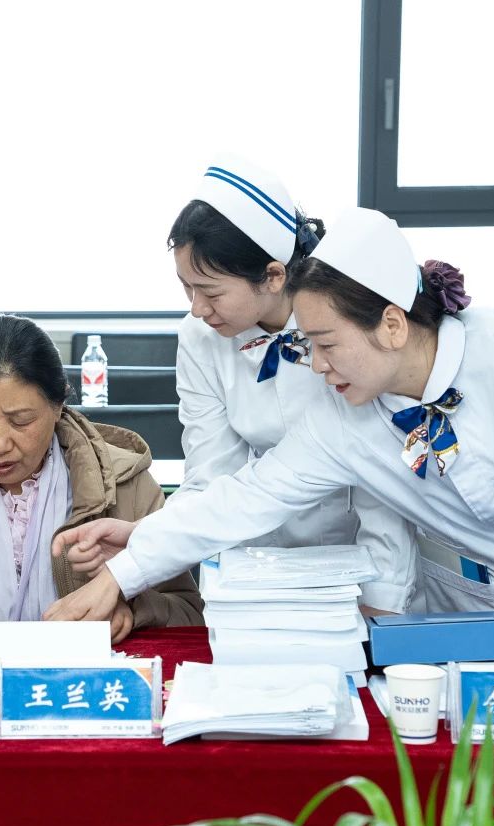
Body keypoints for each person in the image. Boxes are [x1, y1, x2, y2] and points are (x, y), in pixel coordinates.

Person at [47, 207, 494, 622]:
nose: (315, 366)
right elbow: (240, 499)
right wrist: (125, 569)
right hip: (492, 612)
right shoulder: (343, 424)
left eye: (325, 344)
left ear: (393, 325)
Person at [166, 156, 416, 610]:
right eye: (188, 288)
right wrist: (155, 545)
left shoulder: (342, 326)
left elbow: (381, 481)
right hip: (258, 563)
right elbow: (211, 474)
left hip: (362, 559)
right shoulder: (200, 338)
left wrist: (382, 601)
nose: (198, 308)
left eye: (212, 291)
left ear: (273, 275)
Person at [0, 313, 204, 642]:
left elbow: (189, 615)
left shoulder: (126, 487)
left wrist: (131, 608)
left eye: (21, 421)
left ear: (58, 406)